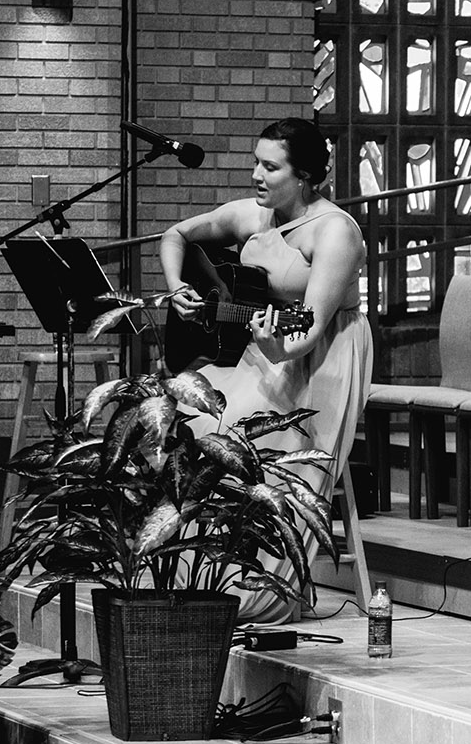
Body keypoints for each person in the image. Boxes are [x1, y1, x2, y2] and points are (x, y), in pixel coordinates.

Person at [159, 117, 373, 625]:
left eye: (269, 166)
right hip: (266, 350)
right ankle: (199, 571)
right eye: (256, 162)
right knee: (187, 423)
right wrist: (176, 289)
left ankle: (254, 582)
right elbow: (177, 234)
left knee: (248, 443)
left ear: (304, 177)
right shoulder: (255, 216)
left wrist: (274, 347)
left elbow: (311, 330)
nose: (256, 174)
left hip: (324, 356)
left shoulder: (335, 231)